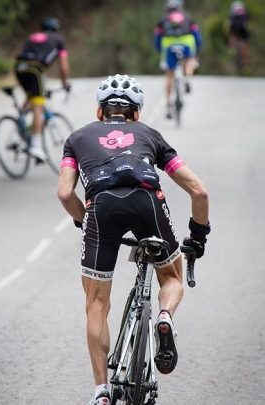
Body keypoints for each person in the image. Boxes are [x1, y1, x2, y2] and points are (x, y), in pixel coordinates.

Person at [57, 74, 210, 405]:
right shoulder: (149, 135)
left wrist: (84, 221)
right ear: (137, 113)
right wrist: (197, 237)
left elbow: (65, 192)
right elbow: (199, 190)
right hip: (146, 200)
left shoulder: (77, 138)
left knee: (96, 304)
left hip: (101, 204)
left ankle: (101, 393)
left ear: (100, 112)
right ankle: (165, 316)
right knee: (171, 278)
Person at [15, 17, 71, 162]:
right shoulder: (58, 39)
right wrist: (65, 83)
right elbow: (63, 67)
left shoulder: (32, 36)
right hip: (35, 69)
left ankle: (18, 130)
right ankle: (36, 147)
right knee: (39, 106)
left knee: (31, 97)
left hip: (19, 67)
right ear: (55, 29)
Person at [154, 0, 202, 118]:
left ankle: (169, 104)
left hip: (169, 47)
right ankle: (187, 79)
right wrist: (197, 51)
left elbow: (157, 39)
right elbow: (197, 36)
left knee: (169, 75)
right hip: (186, 45)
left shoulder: (162, 21)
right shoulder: (189, 19)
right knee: (190, 60)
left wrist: (160, 51)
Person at [228, 1, 250, 72]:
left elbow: (230, 23)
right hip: (242, 30)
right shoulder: (242, 9)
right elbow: (247, 21)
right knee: (245, 45)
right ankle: (245, 63)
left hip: (236, 28)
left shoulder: (234, 7)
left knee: (232, 35)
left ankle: (232, 48)